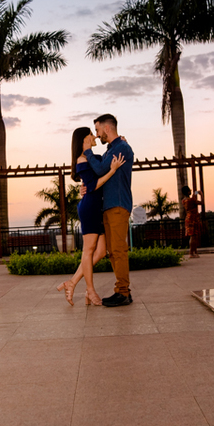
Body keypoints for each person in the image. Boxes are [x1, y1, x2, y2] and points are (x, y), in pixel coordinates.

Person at [58, 127, 125, 306]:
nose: (95, 136)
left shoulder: (92, 158)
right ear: (83, 139)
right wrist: (112, 170)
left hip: (98, 208)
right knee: (88, 250)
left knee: (101, 251)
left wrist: (119, 143)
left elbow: (96, 173)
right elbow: (94, 185)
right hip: (89, 208)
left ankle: (72, 282)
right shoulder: (81, 160)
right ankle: (90, 290)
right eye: (91, 133)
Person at [80, 114, 135, 307]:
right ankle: (122, 290)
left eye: (97, 130)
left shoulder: (121, 148)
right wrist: (86, 186)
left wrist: (87, 152)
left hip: (118, 205)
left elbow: (101, 170)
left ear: (107, 128)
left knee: (118, 250)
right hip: (109, 205)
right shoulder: (112, 150)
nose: (97, 134)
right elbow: (101, 177)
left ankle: (123, 292)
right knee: (113, 251)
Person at [181, 185, 203, 258]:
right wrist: (201, 195)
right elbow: (201, 202)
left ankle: (194, 252)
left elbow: (192, 199)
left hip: (188, 218)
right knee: (194, 236)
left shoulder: (183, 201)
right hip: (193, 219)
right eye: (189, 190)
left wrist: (195, 194)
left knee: (193, 236)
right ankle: (191, 252)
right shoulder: (191, 200)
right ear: (187, 192)